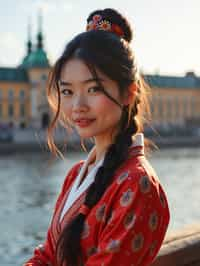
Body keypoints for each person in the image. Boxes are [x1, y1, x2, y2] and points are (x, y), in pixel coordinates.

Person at [24, 8, 170, 266]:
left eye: (93, 88)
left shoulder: (137, 185)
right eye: (67, 91)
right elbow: (47, 255)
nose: (77, 105)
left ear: (128, 93)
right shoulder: (76, 173)